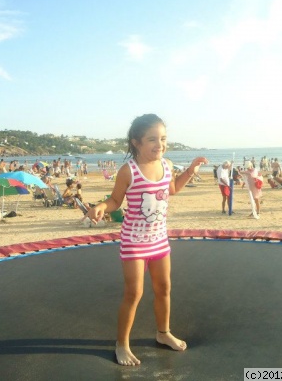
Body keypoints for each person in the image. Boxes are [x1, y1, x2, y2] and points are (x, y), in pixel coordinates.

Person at [86, 113, 207, 366]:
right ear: (136, 143)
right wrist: (100, 206)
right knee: (134, 293)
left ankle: (163, 333)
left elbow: (171, 189)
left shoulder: (167, 165)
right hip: (134, 242)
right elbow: (115, 201)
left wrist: (191, 172)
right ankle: (122, 344)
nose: (160, 144)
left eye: (163, 138)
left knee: (164, 289)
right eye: (152, 139)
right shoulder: (128, 171)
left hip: (160, 240)